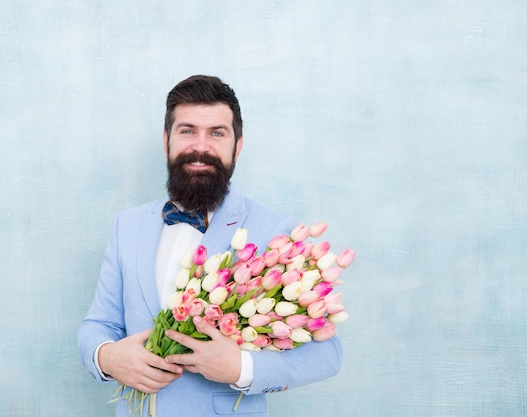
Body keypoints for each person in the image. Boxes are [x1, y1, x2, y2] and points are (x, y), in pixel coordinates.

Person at [78, 75, 343, 417]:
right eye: (187, 131)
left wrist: (241, 368)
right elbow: (99, 324)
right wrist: (106, 356)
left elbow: (328, 352)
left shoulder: (278, 234)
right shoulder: (127, 225)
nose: (200, 146)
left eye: (217, 133)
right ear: (166, 141)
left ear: (238, 146)